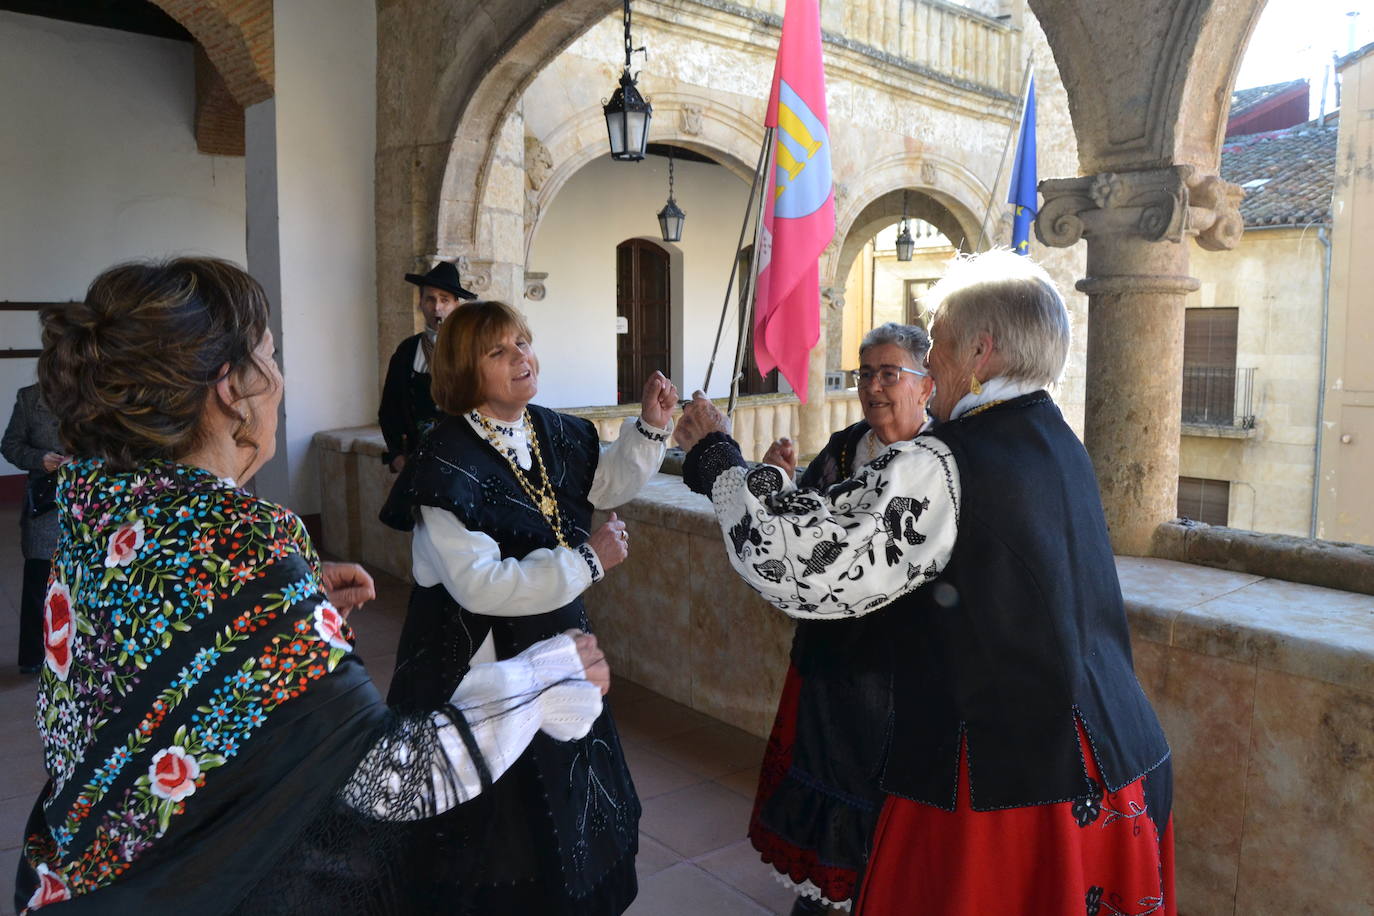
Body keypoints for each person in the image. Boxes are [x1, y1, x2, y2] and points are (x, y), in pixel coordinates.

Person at [15, 258, 612, 915]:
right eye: (271, 356)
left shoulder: (101, 505)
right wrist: (544, 678)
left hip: (79, 874)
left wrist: (284, 617)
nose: (281, 378)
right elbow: (389, 781)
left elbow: (164, 655)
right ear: (230, 389)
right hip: (208, 885)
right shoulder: (243, 543)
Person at [674, 250, 1175, 916]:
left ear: (980, 351)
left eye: (936, 343)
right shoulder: (1056, 439)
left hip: (1009, 786)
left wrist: (718, 461)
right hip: (1114, 756)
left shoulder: (943, 462)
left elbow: (803, 565)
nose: (928, 361)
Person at [382, 299, 677, 915]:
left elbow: (605, 485)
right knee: (494, 824)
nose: (523, 356)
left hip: (556, 645)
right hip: (474, 665)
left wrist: (649, 428)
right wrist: (585, 562)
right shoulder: (445, 459)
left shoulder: (551, 430)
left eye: (523, 342)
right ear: (466, 370)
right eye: (500, 350)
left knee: (574, 805)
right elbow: (479, 585)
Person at [749, 323, 934, 914]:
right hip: (832, 655)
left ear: (926, 386)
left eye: (889, 373)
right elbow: (801, 535)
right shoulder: (844, 447)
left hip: (903, 667)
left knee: (888, 802)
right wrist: (779, 484)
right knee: (828, 784)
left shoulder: (941, 460)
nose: (874, 387)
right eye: (866, 374)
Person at [378, 260, 477, 476]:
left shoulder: (474, 349)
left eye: (444, 300)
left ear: (456, 305)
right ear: (420, 303)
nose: (437, 307)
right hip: (419, 463)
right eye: (430, 299)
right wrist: (396, 456)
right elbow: (389, 409)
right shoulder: (407, 351)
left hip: (468, 462)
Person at [3, 383, 68, 675]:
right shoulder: (30, 397)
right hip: (44, 504)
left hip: (89, 501)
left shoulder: (100, 392)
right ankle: (32, 656)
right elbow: (10, 445)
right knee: (39, 584)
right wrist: (40, 459)